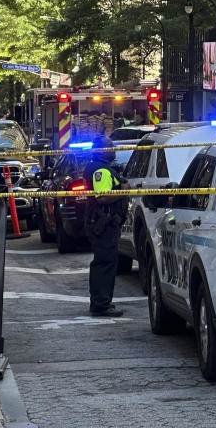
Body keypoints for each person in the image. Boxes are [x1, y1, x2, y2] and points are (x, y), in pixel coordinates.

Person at [84, 135, 129, 317]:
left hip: (103, 223)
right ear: (102, 150)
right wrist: (124, 192)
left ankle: (102, 301)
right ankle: (101, 303)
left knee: (106, 262)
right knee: (104, 263)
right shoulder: (100, 170)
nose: (114, 150)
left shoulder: (103, 168)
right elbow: (102, 197)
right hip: (103, 224)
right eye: (110, 147)